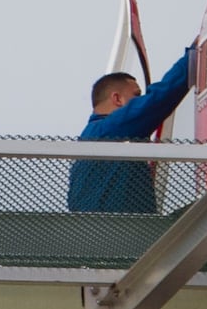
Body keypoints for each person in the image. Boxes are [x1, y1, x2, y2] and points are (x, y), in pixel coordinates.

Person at [66, 49, 193, 214]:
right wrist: (192, 57)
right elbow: (159, 100)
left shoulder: (89, 139)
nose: (140, 100)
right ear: (117, 99)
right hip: (121, 225)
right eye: (137, 95)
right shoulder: (111, 129)